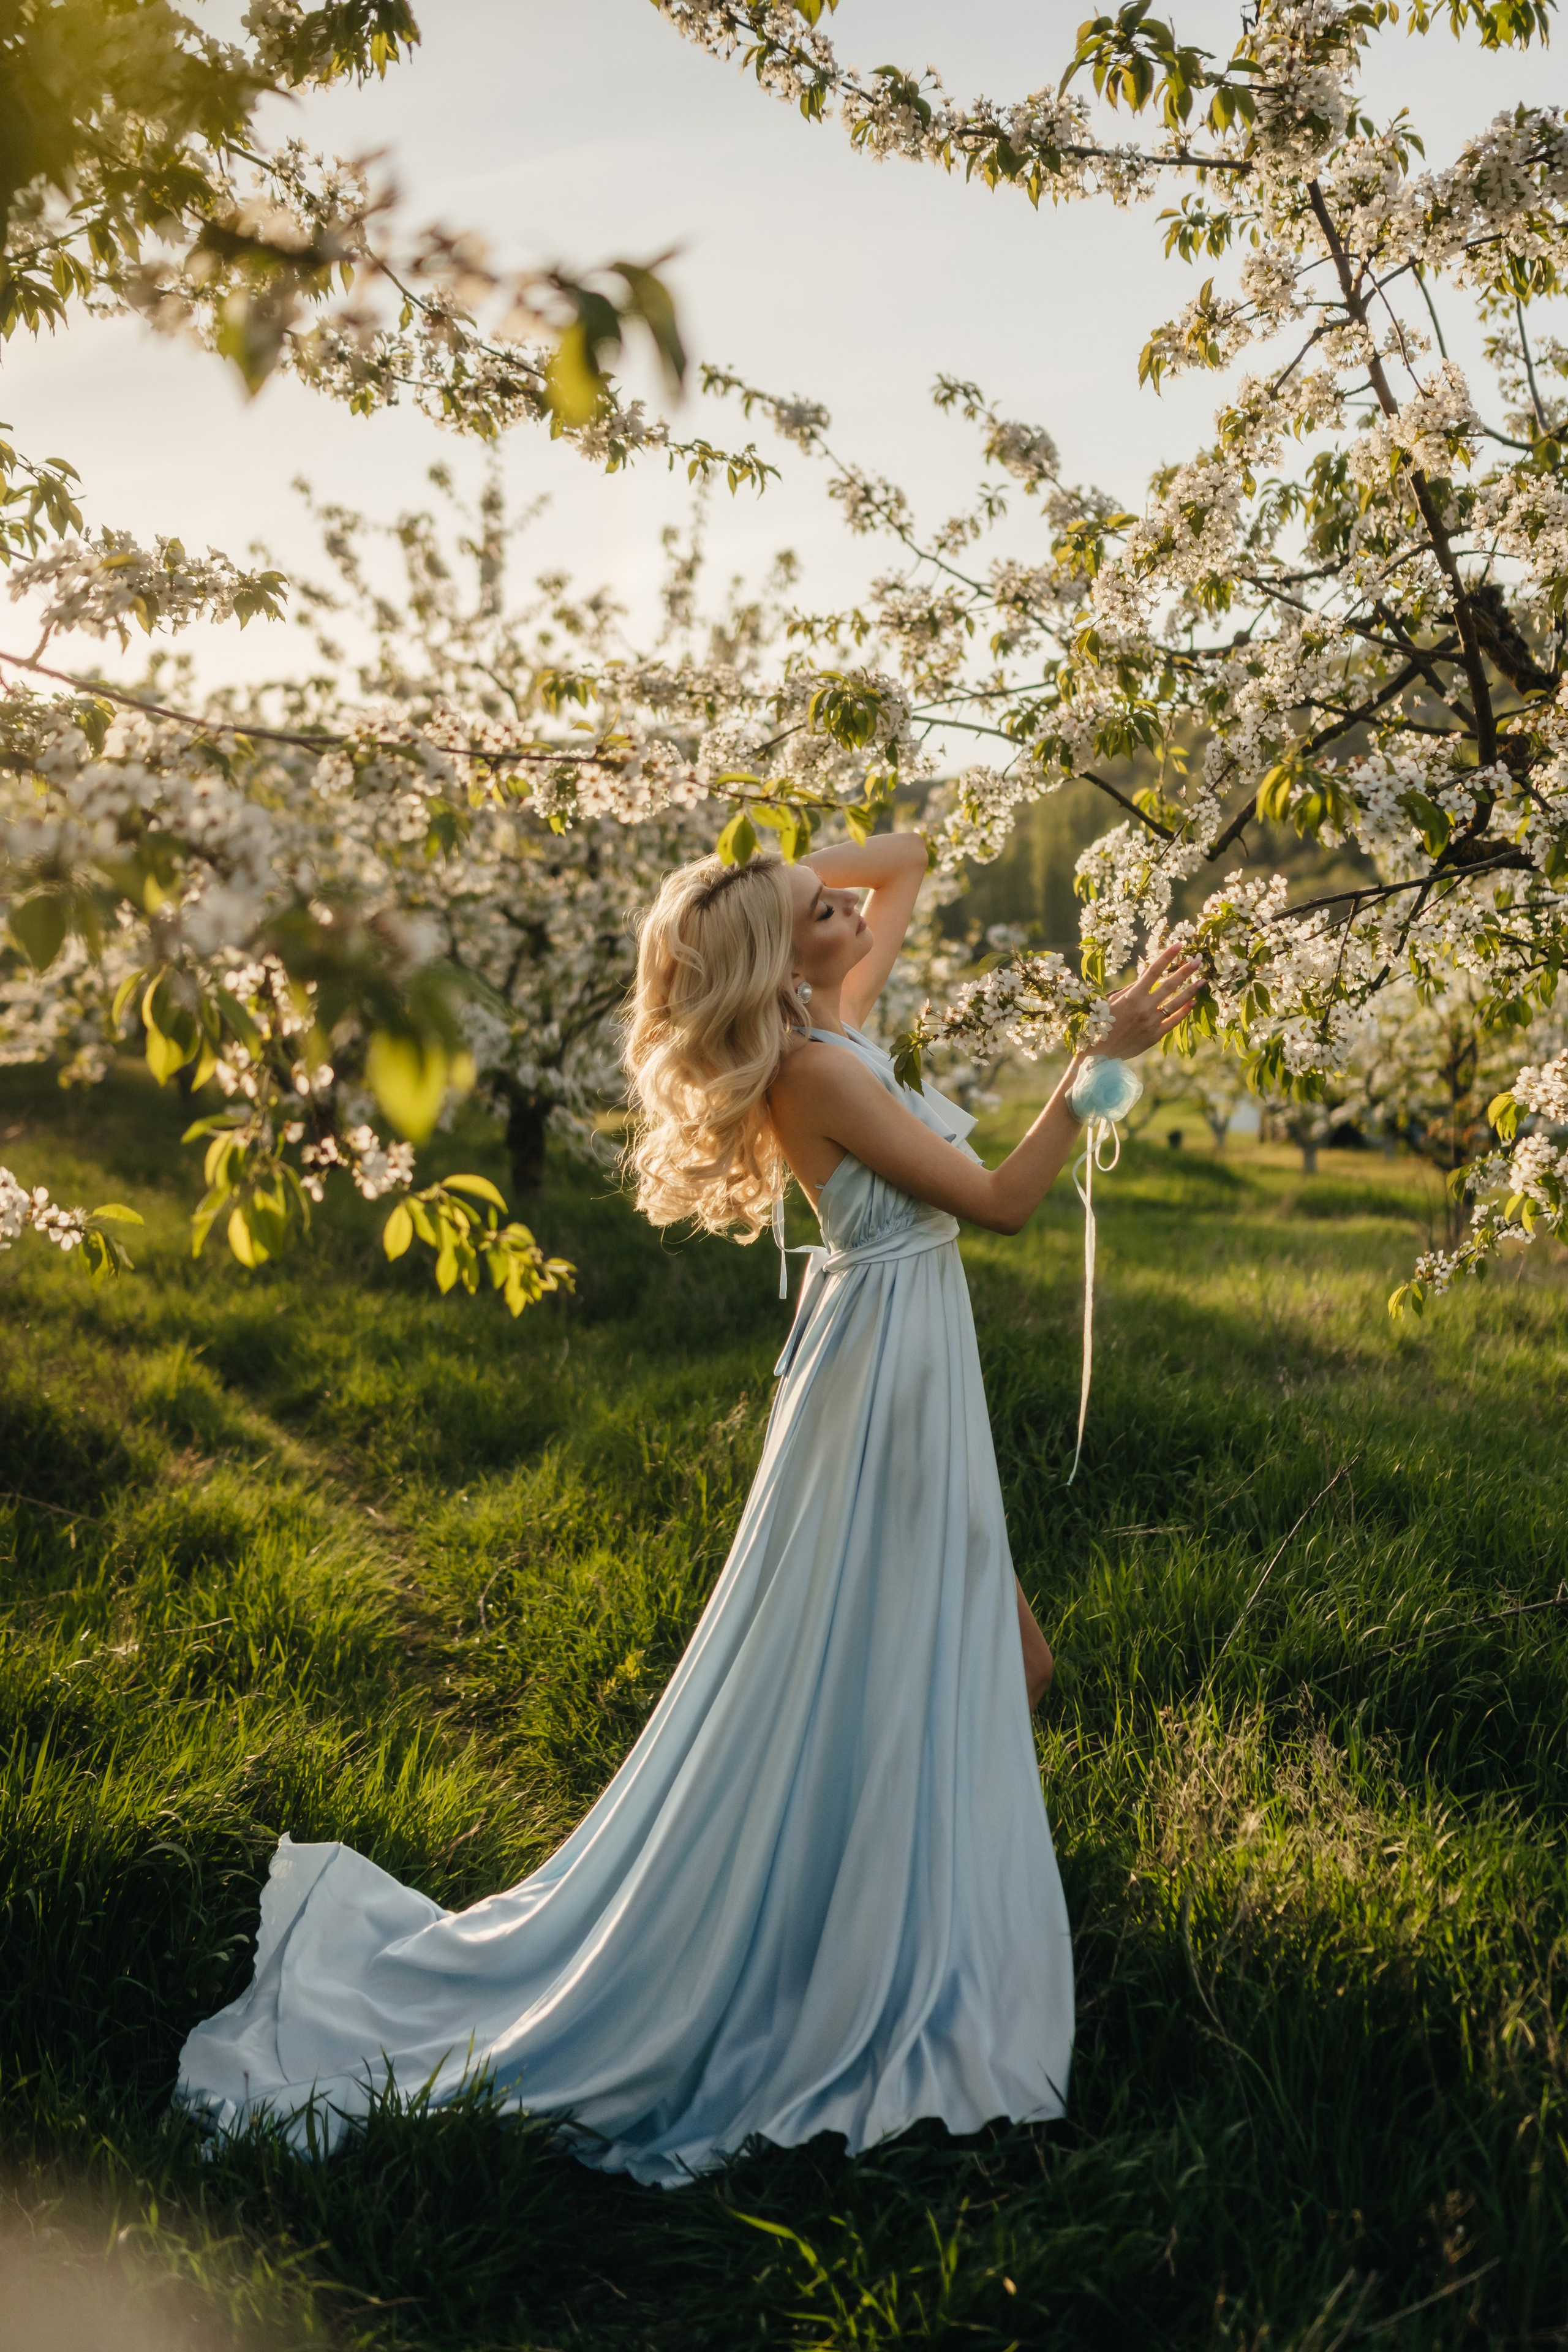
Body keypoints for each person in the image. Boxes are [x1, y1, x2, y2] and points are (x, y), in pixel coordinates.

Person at [175, 837, 1201, 2188]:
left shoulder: (826, 1020)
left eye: (823, 901)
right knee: (1001, 1659)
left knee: (1001, 1661)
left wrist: (750, 893)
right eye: (816, 910)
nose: (848, 906)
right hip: (885, 1381)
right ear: (780, 958)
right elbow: (1005, 1205)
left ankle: (895, 1916)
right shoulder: (815, 1066)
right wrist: (1102, 1061)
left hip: (891, 1358)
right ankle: (877, 1950)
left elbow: (905, 863)